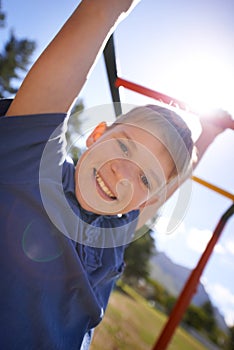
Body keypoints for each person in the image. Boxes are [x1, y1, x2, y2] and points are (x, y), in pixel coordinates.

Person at [0, 1, 233, 349]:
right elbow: (96, 15)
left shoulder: (116, 233)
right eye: (124, 148)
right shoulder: (34, 167)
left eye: (144, 179)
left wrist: (208, 136)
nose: (123, 176)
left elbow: (168, 186)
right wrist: (108, 8)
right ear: (96, 135)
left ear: (147, 199)